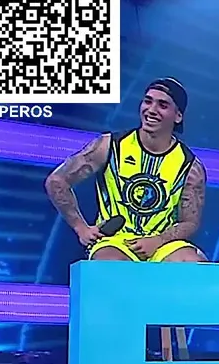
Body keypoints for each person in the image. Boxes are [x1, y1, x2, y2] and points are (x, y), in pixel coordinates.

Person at [44, 78, 208, 263]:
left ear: (178, 116)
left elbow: (190, 222)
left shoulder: (190, 165)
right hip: (115, 241)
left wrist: (158, 240)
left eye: (162, 105)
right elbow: (56, 181)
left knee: (192, 261)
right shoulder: (110, 145)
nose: (151, 110)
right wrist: (80, 227)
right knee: (109, 261)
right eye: (148, 101)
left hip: (162, 244)